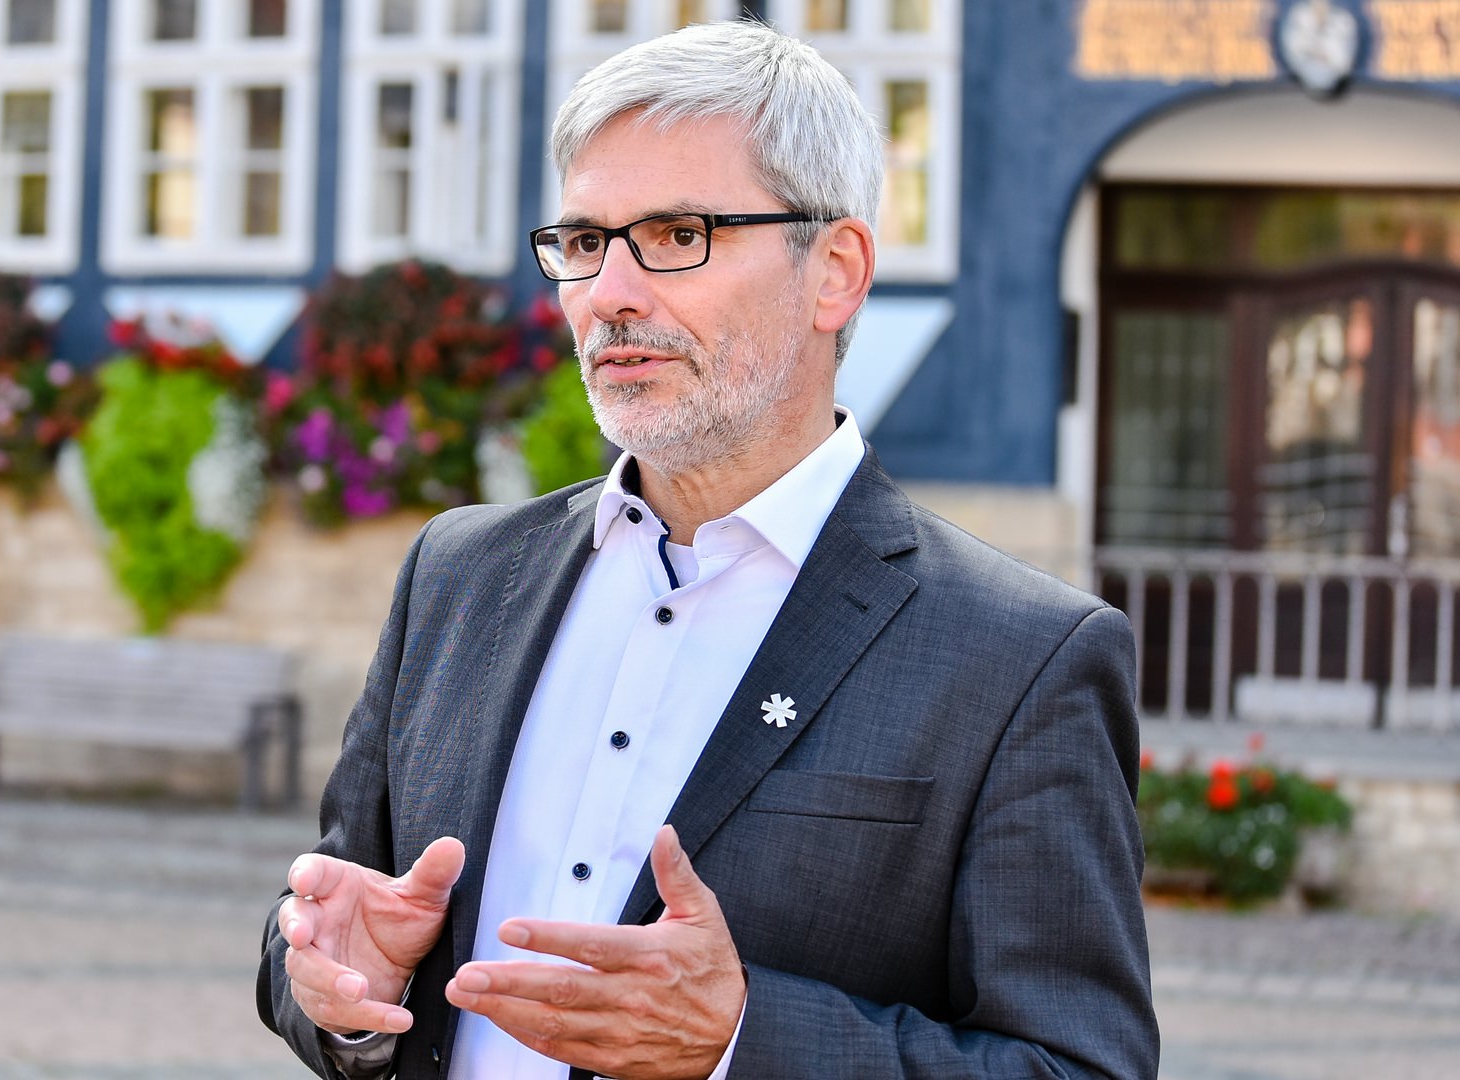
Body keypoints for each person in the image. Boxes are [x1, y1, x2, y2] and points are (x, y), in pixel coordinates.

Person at [259, 20, 1157, 1080]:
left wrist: (741, 1042)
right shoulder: (457, 576)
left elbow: (1080, 1067)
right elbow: (321, 931)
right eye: (586, 243)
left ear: (834, 270)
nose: (611, 295)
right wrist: (349, 990)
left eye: (678, 233)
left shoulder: (1020, 659)